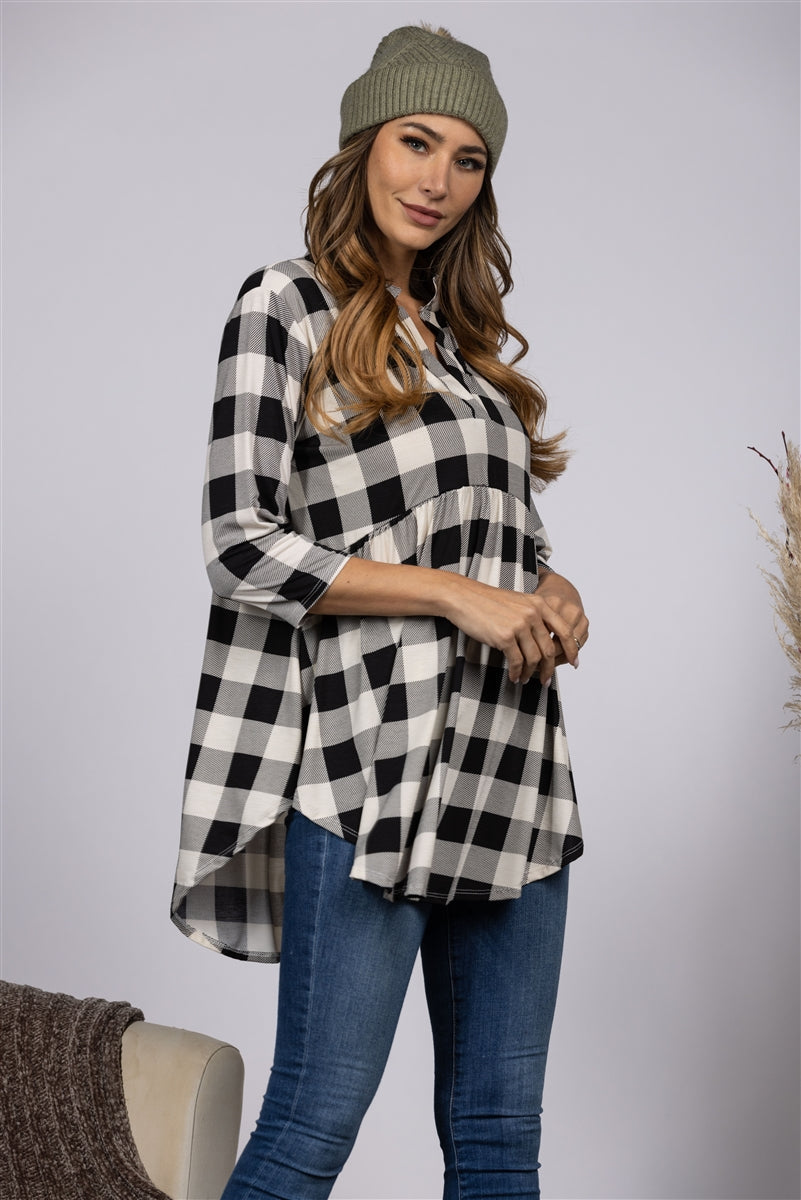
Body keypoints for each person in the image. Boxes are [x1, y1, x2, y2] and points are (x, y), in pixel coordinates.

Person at [171, 23, 588, 1200]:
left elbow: (505, 543)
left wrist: (551, 591)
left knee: (500, 1139)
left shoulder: (465, 351)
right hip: (370, 765)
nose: (437, 179)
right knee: (311, 1128)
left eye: (467, 158)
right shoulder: (286, 305)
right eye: (416, 141)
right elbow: (239, 542)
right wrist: (456, 598)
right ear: (363, 143)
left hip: (514, 771)